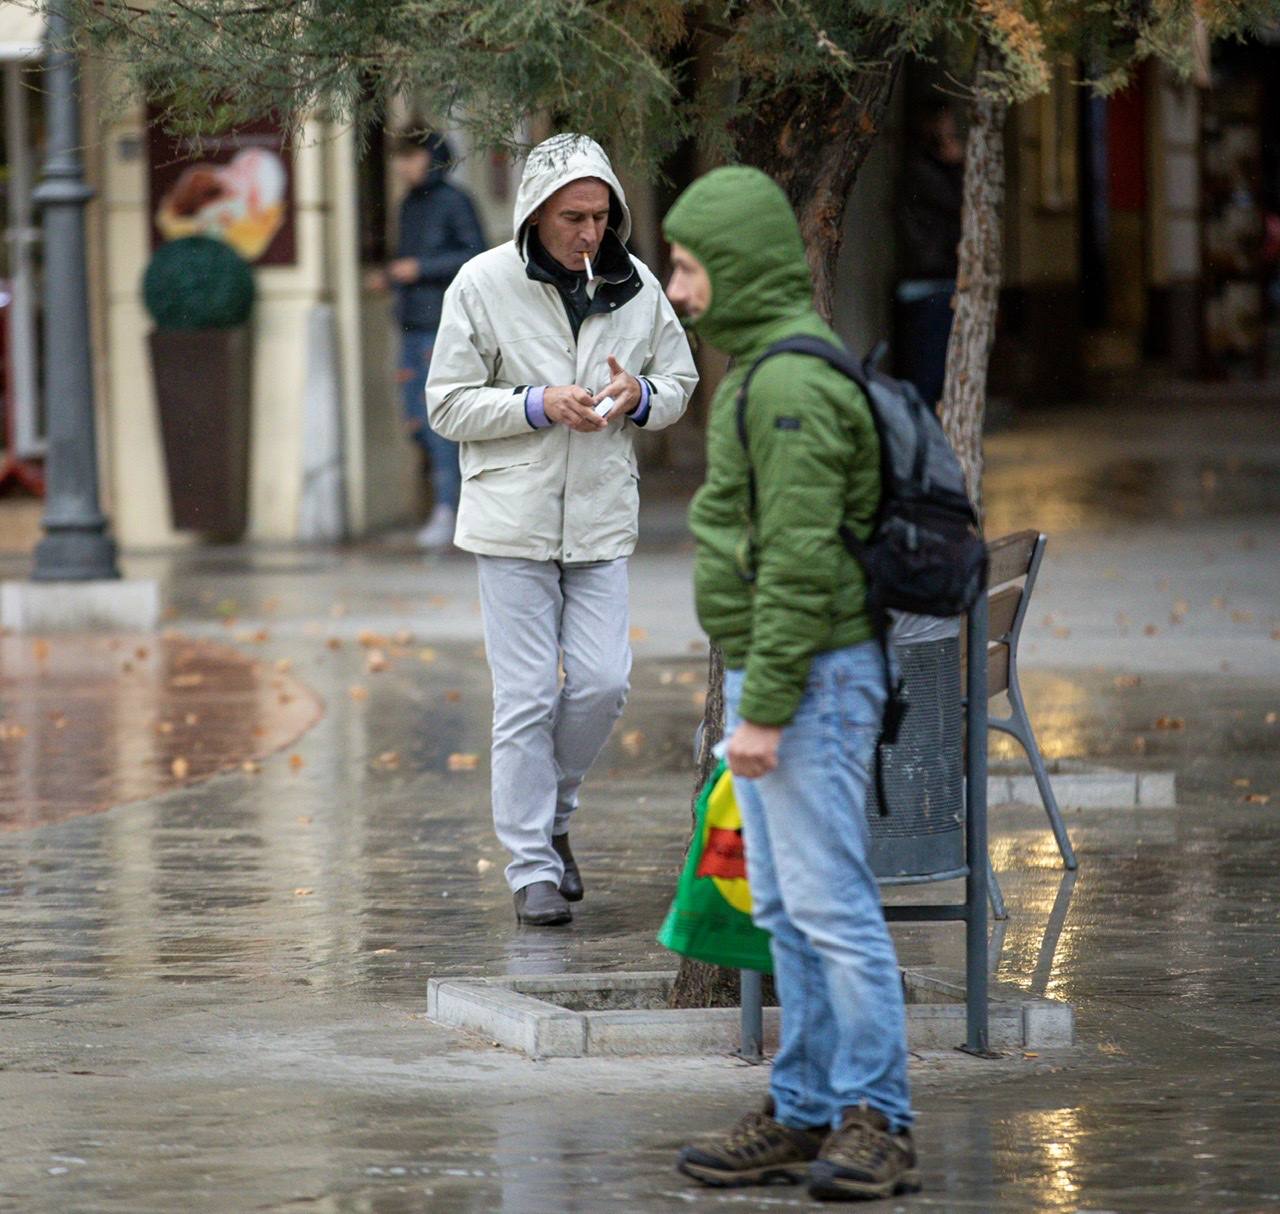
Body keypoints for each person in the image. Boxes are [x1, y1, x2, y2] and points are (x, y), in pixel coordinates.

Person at [662, 166, 919, 1202]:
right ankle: (805, 1108)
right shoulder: (763, 367)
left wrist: (760, 707)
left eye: (685, 268)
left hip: (808, 677)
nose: (676, 291)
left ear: (733, 266)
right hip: (790, 676)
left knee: (830, 904)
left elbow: (802, 560)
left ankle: (878, 1120)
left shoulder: (789, 385)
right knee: (787, 907)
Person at [426, 133, 698, 927]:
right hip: (510, 517)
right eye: (574, 216)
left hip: (603, 515)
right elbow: (445, 402)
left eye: (601, 215)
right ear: (536, 212)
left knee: (606, 681)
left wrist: (638, 395)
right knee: (521, 700)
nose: (590, 232)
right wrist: (537, 404)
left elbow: (679, 382)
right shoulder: (481, 283)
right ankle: (531, 870)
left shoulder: (638, 285)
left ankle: (555, 813)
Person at [367, 131, 486, 552]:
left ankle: (449, 510)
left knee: (440, 425)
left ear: (431, 157)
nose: (402, 166)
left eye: (411, 157)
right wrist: (394, 279)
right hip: (411, 324)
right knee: (416, 419)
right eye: (399, 158)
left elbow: (475, 256)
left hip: (441, 326)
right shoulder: (408, 204)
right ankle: (448, 505)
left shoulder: (455, 202)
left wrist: (421, 269)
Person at [896, 98, 965, 408]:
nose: (952, 134)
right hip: (930, 279)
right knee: (929, 374)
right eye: (947, 126)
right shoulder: (922, 169)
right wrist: (956, 166)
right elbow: (959, 206)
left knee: (933, 372)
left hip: (934, 277)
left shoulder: (923, 166)